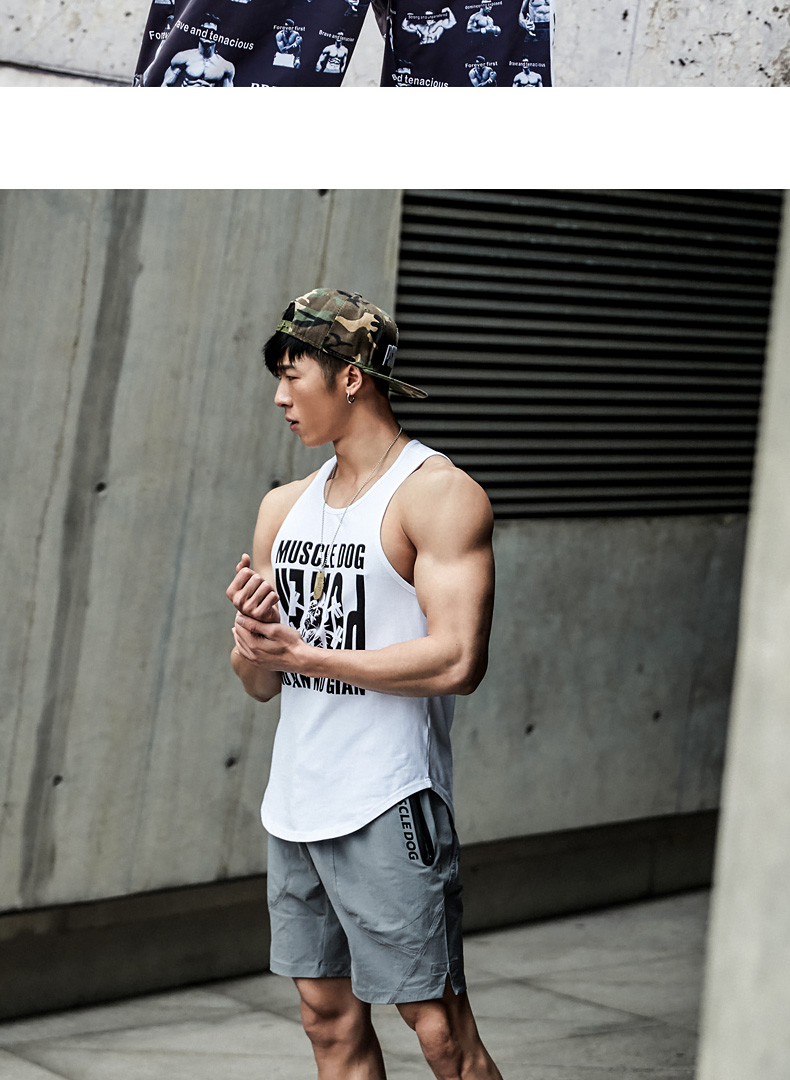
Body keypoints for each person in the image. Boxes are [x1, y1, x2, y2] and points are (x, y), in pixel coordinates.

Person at [226, 288, 501, 1080]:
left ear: (351, 377)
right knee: (327, 1023)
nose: (280, 398)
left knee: (441, 1033)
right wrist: (256, 642)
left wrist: (310, 657)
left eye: (294, 375)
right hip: (296, 803)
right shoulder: (283, 508)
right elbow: (260, 684)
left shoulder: (438, 494)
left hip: (388, 800)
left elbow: (458, 661)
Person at [162, 13, 235, 84]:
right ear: (198, 32)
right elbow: (166, 85)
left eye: (212, 32)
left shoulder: (226, 66)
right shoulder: (183, 57)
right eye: (204, 30)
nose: (208, 34)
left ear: (218, 36)